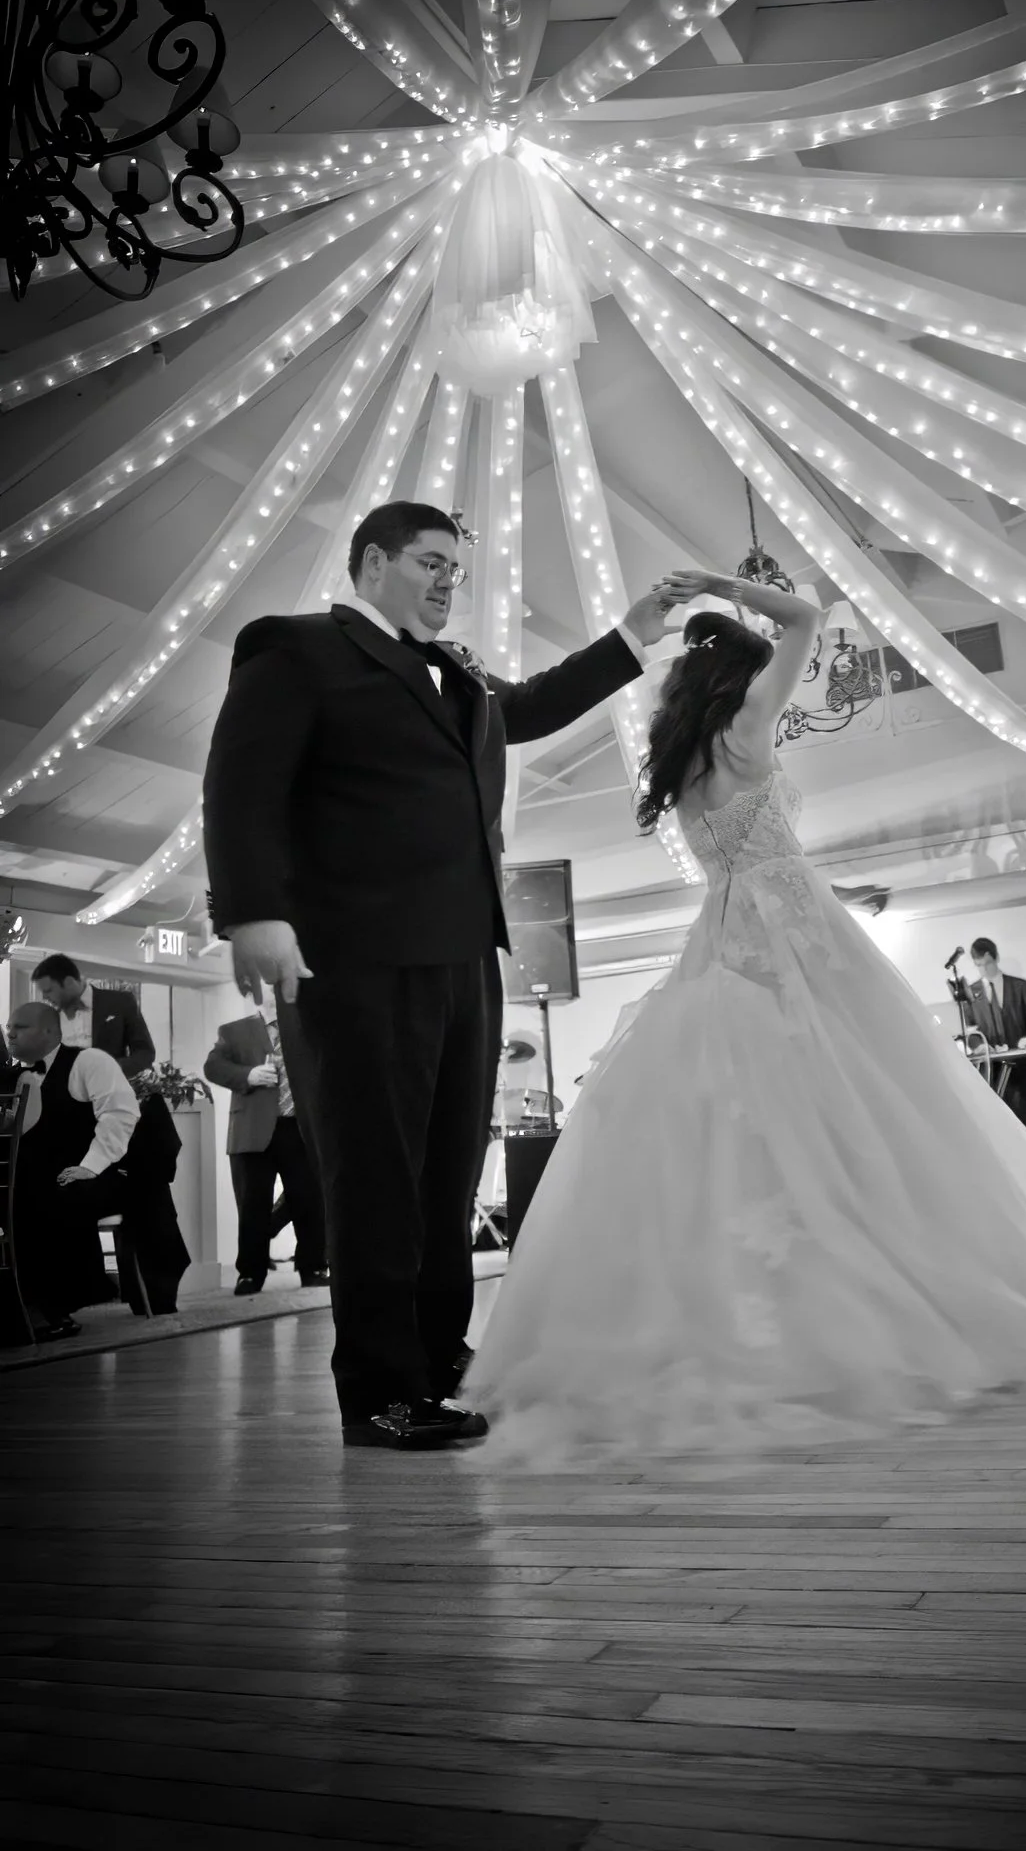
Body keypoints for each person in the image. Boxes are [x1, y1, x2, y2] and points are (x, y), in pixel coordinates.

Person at [471, 571, 1026, 1465]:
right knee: (871, 1096)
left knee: (753, 1120)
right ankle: (884, 1287)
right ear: (743, 675)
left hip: (723, 934)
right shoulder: (747, 726)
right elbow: (806, 615)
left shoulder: (680, 758)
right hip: (795, 925)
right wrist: (722, 586)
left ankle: (755, 1302)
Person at [202, 500, 692, 1449]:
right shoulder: (295, 648)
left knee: (446, 1170)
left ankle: (436, 1356)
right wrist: (252, 913)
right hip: (355, 953)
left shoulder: (455, 671)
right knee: (375, 1171)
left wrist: (634, 634)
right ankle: (381, 1391)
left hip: (466, 950)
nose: (445, 582)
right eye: (429, 562)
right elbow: (240, 780)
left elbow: (532, 706)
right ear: (371, 564)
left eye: (453, 570)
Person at [5, 1000, 139, 1341]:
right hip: (35, 1176)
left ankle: (52, 1306)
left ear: (50, 1031)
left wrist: (88, 1167)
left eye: (20, 1027)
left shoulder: (89, 1061)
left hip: (97, 1172)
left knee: (47, 1195)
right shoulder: (14, 1075)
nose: (10, 1033)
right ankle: (19, 1304)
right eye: (8, 1028)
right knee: (21, 1193)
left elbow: (120, 1114)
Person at [204, 989, 327, 1295]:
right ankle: (250, 1273)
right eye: (269, 990)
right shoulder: (234, 1031)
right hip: (252, 1131)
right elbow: (212, 1067)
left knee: (308, 1200)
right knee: (252, 1205)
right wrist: (248, 1075)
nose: (275, 995)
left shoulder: (307, 1027)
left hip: (299, 1126)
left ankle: (313, 1267)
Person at [965, 938, 1026, 1131]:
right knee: (997, 1127)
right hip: (990, 1070)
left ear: (996, 958)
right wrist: (979, 1045)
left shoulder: (1019, 986)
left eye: (987, 964)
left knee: (1022, 1124)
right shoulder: (970, 993)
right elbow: (970, 1031)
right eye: (979, 965)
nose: (984, 970)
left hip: (1020, 1068)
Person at [31, 956, 155, 1079]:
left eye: (48, 991)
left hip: (109, 1088)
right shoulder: (50, 1019)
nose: (44, 997)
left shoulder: (120, 1002)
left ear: (69, 982)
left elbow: (145, 1053)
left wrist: (111, 1069)